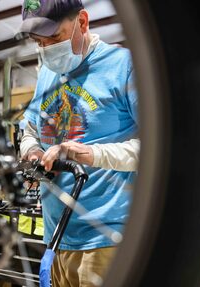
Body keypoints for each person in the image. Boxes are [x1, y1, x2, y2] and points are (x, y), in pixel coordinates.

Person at [18, 0, 140, 286]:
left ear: (82, 22)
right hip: (56, 239)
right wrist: (32, 151)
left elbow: (159, 151)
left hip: (106, 241)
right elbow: (29, 129)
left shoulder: (123, 67)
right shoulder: (47, 73)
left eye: (55, 38)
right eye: (39, 41)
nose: (46, 48)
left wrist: (91, 154)